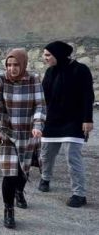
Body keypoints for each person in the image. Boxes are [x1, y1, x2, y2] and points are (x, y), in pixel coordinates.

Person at [0, 49, 45, 229]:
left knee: (23, 170)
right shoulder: (0, 79)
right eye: (9, 65)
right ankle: (8, 209)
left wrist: (37, 125)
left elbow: (40, 105)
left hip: (28, 133)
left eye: (16, 65)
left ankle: (19, 191)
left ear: (23, 64)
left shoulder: (33, 79)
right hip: (6, 133)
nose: (12, 68)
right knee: (9, 172)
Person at [39, 41, 94, 208]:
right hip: (52, 121)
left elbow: (87, 95)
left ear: (59, 55)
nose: (45, 58)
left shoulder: (81, 70)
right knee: (46, 154)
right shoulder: (50, 72)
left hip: (74, 121)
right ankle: (45, 178)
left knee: (73, 157)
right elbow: (43, 97)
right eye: (44, 54)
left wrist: (88, 119)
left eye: (48, 55)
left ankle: (79, 194)